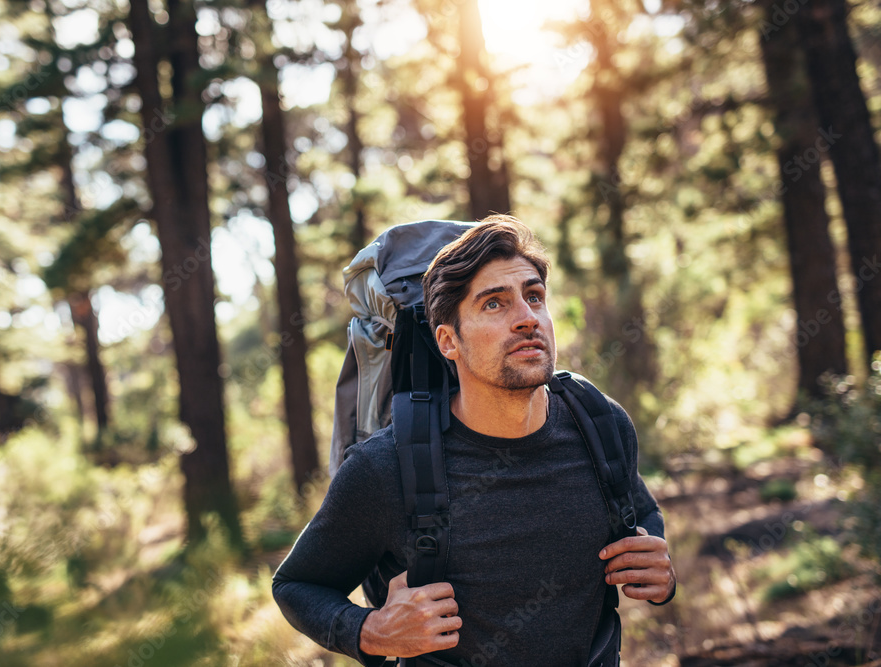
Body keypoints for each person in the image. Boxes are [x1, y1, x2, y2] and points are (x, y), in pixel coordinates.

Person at [272, 215, 675, 666]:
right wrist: (372, 631)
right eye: (493, 305)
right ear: (448, 341)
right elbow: (296, 585)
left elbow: (640, 512)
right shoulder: (385, 469)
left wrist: (658, 562)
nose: (526, 319)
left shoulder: (600, 425)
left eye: (534, 297)